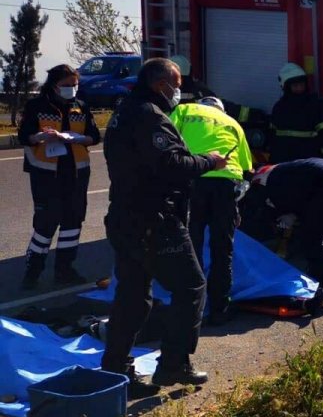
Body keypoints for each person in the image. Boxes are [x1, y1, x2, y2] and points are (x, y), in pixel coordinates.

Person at [100, 58, 229, 395]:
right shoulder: (148, 115)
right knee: (190, 287)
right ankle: (174, 364)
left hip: (126, 219)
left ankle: (115, 372)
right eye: (177, 83)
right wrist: (209, 161)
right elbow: (171, 164)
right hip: (155, 221)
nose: (179, 91)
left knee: (132, 297)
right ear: (161, 84)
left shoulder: (123, 112)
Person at [170, 96, 254, 326]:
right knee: (222, 248)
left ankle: (190, 308)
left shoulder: (185, 110)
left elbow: (165, 140)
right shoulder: (233, 123)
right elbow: (247, 167)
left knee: (190, 244)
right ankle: (220, 308)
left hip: (194, 177)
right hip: (226, 184)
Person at [17, 65, 101, 289]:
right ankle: (32, 272)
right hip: (46, 174)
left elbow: (94, 136)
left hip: (76, 172)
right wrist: (40, 137)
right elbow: (24, 136)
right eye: (67, 85)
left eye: (75, 85)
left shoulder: (80, 106)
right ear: (54, 85)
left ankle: (65, 269)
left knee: (72, 223)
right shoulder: (37, 106)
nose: (72, 89)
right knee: (45, 224)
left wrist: (77, 139)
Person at [246, 158, 323, 310]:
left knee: (312, 238)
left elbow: (276, 204)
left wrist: (288, 214)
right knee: (315, 232)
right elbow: (302, 194)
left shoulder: (264, 182)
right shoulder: (280, 170)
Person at [268, 63, 323, 163]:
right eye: (295, 85)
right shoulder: (279, 107)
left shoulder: (317, 105)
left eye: (302, 84)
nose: (300, 88)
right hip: (285, 163)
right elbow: (272, 136)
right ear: (286, 87)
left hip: (309, 163)